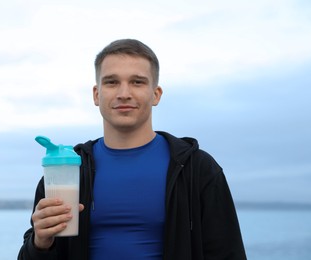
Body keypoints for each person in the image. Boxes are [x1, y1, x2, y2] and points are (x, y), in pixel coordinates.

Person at [18, 39, 247, 260]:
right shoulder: (68, 171)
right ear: (97, 95)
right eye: (111, 82)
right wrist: (40, 242)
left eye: (137, 82)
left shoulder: (197, 168)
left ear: (155, 94)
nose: (124, 93)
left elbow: (228, 254)